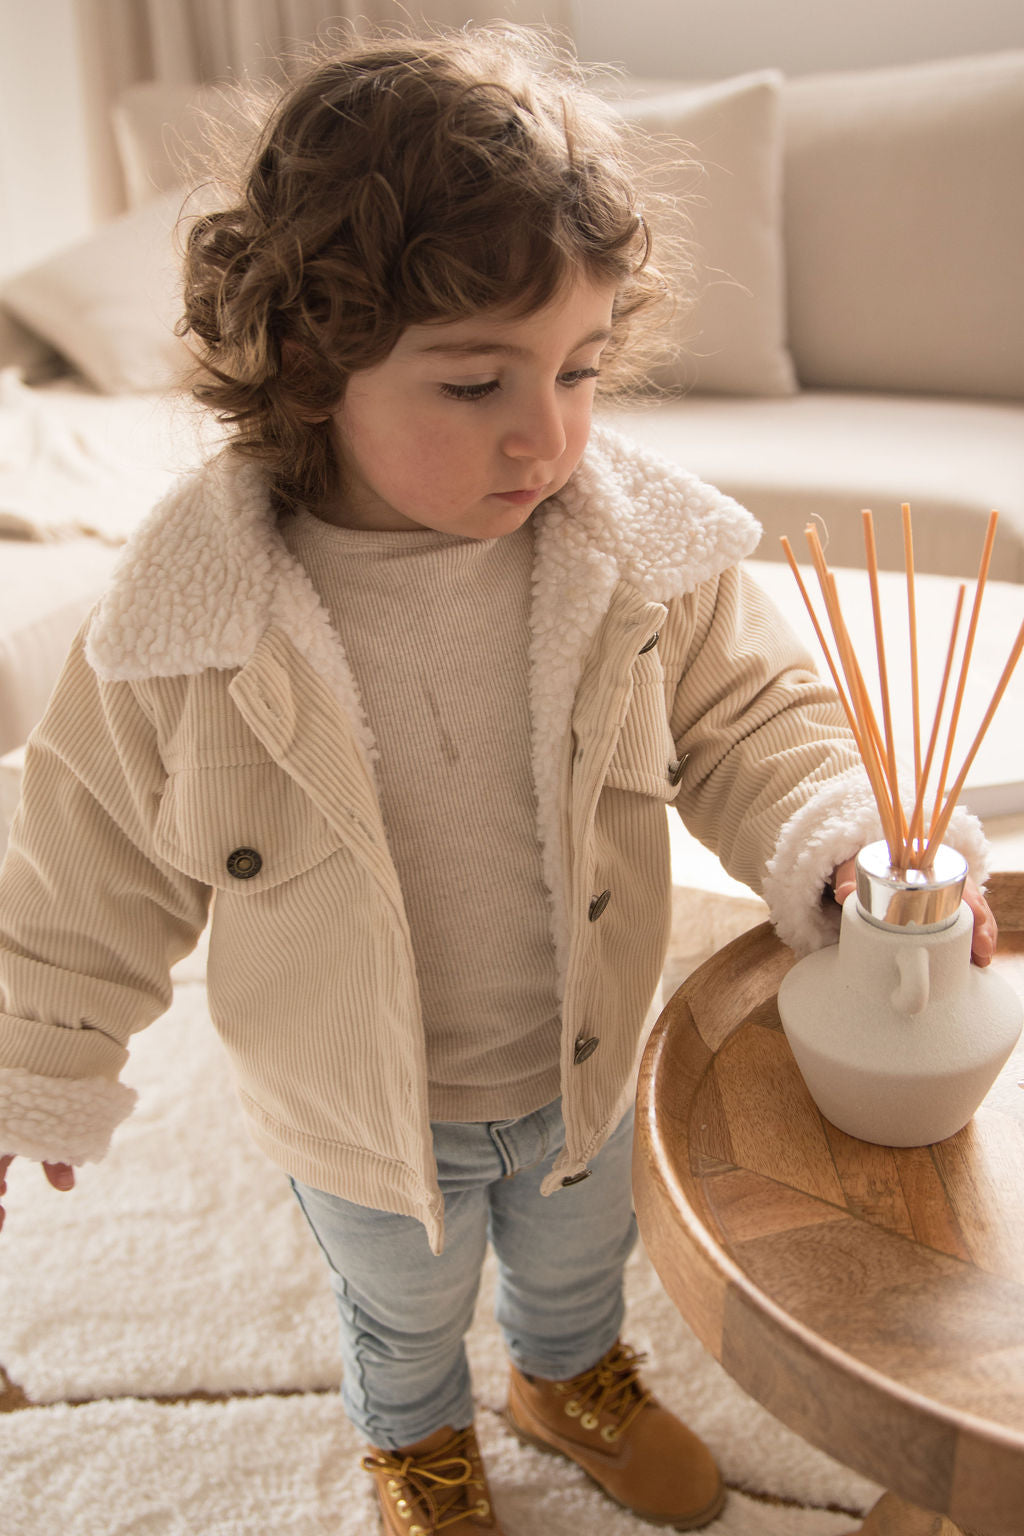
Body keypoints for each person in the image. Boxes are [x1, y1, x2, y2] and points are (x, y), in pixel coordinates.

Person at [0, 25, 996, 1536]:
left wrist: (843, 838)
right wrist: (39, 1063)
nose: (549, 435)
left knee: (577, 1254)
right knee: (399, 1301)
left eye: (582, 371)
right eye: (475, 385)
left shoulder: (637, 556)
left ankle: (566, 1376)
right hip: (358, 1094)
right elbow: (84, 857)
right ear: (313, 367)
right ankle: (413, 1443)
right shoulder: (186, 621)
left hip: (581, 1051)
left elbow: (756, 720)